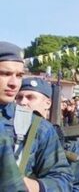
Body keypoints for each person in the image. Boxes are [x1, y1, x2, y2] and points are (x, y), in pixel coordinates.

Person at [0, 41, 73, 192]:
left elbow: (63, 180)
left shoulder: (36, 126)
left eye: (19, 75)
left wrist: (27, 185)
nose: (14, 83)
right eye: (5, 74)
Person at [16, 77, 79, 192]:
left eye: (30, 97)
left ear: (47, 103)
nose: (22, 102)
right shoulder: (11, 133)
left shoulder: (68, 142)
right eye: (19, 97)